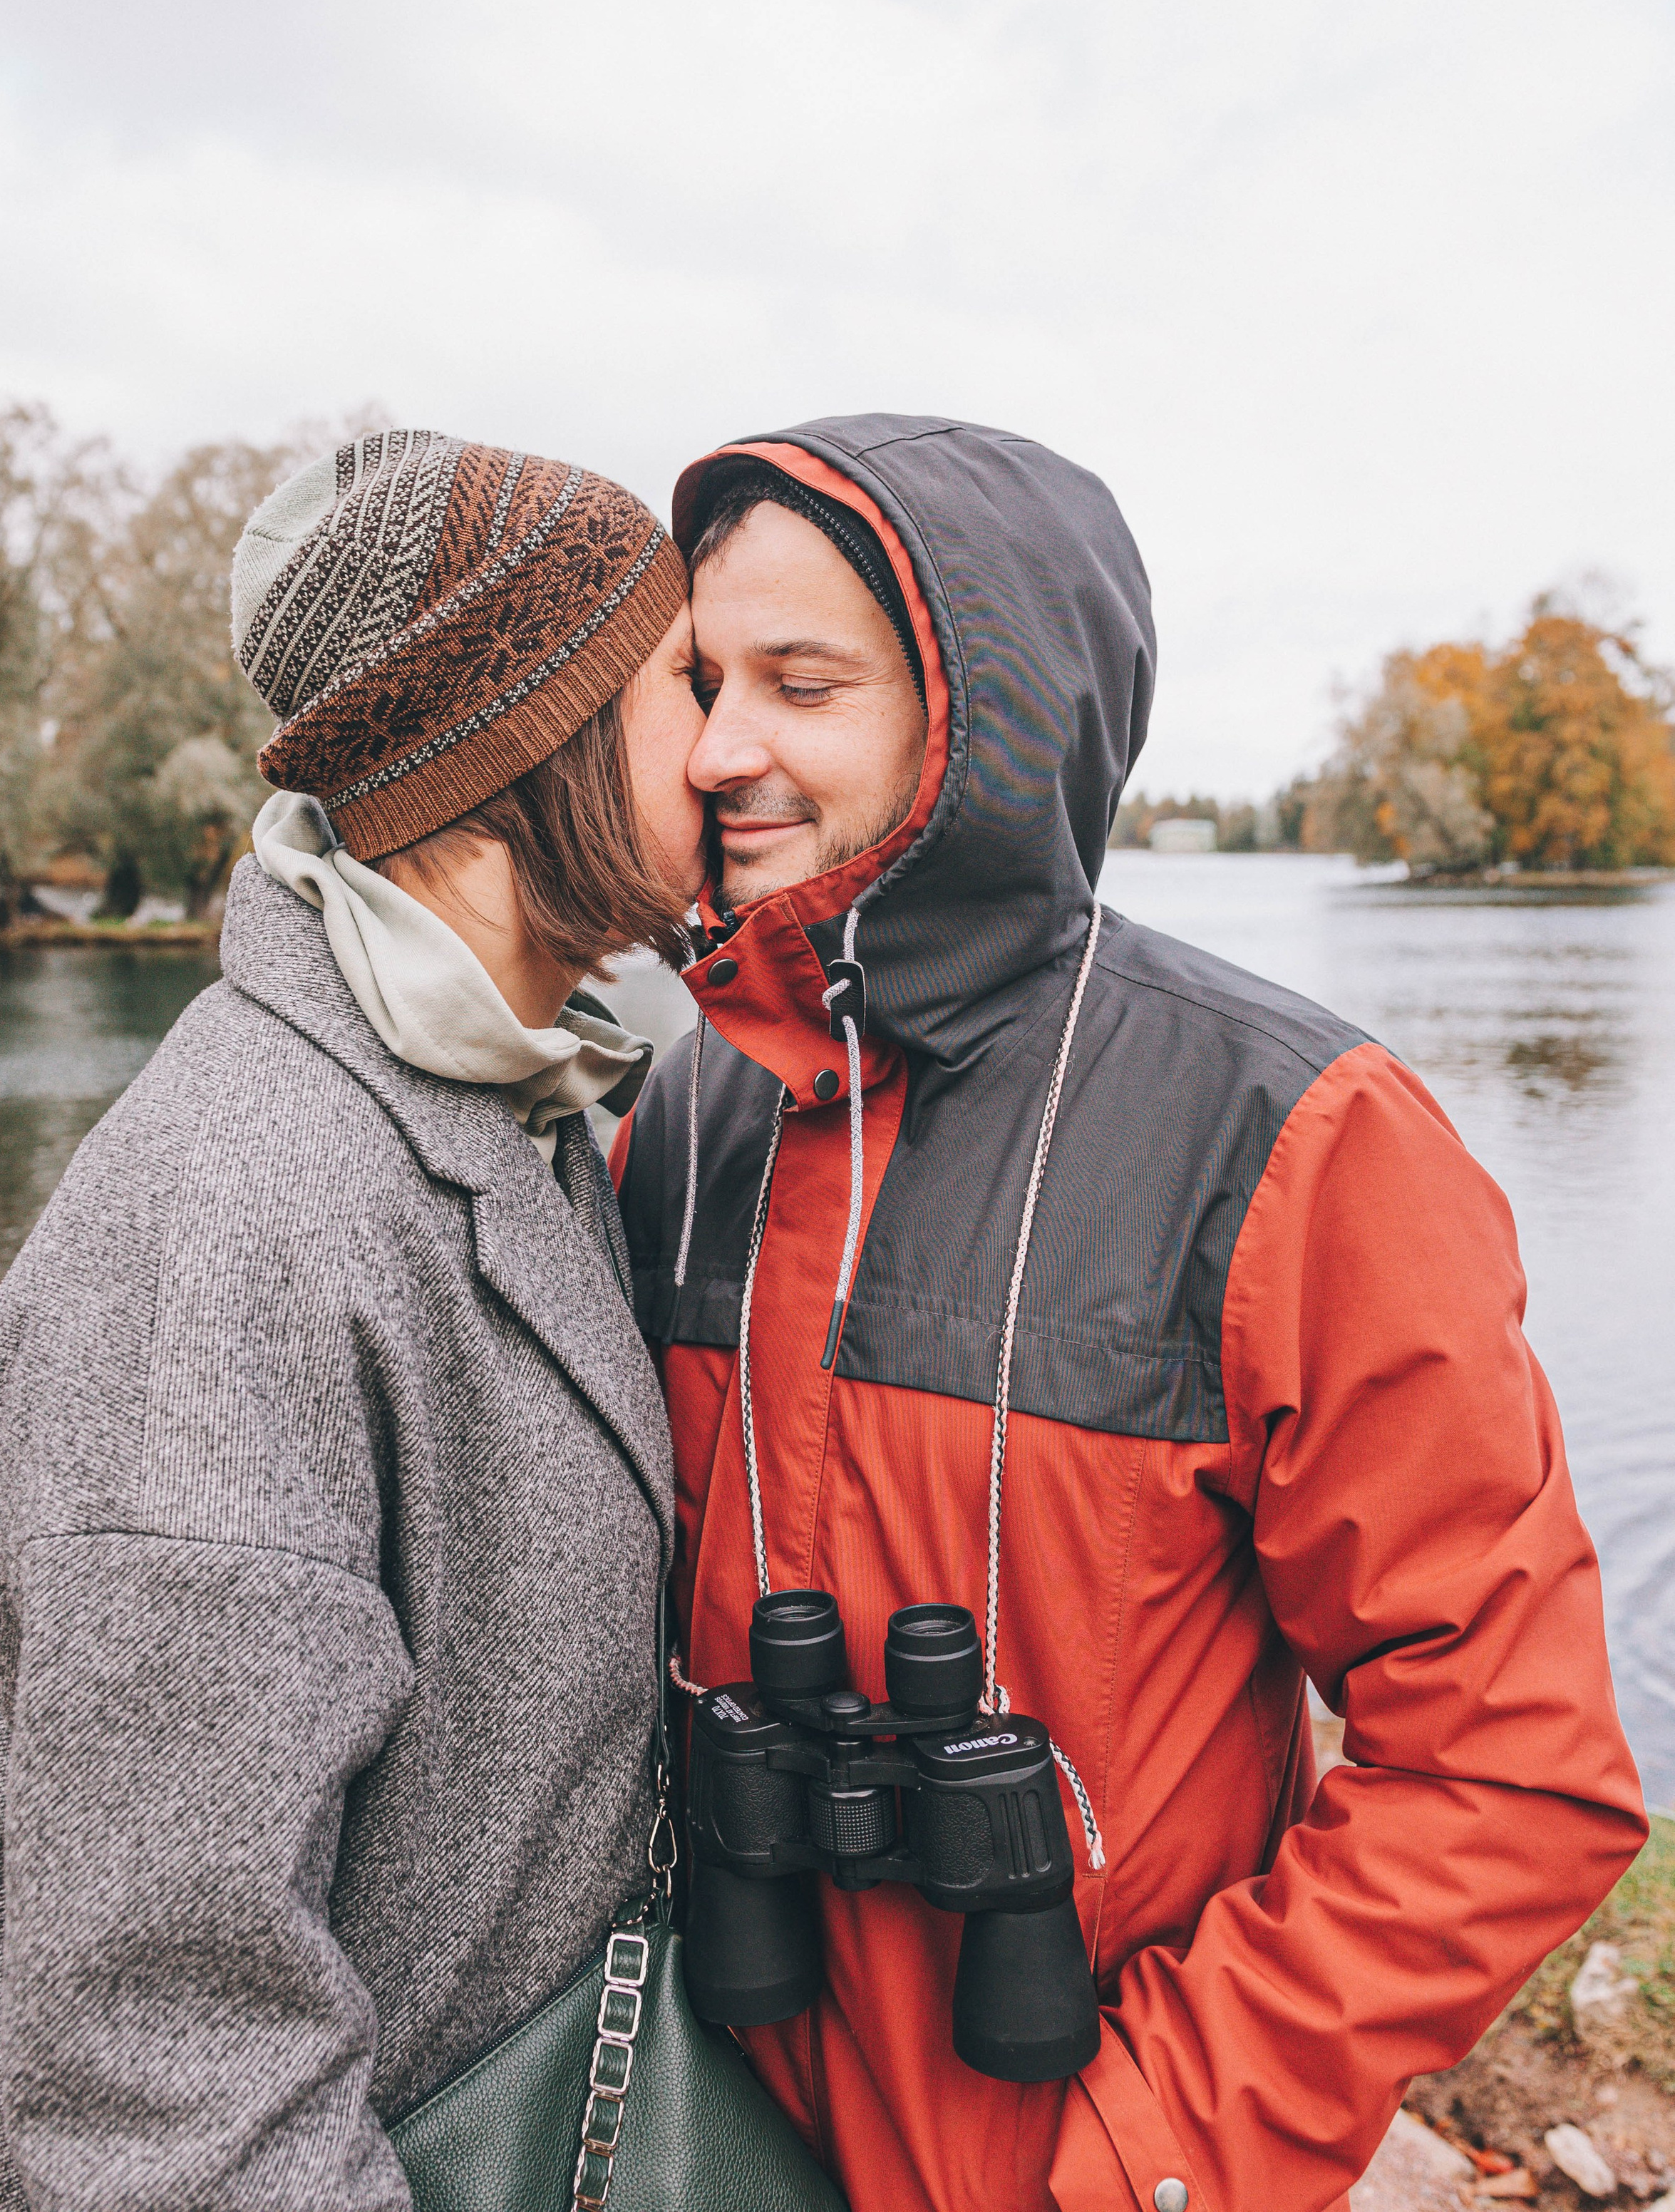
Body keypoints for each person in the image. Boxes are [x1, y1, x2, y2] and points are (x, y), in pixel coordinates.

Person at [616, 416, 1647, 2212]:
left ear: (979, 721)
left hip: (1077, 2157)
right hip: (702, 2146)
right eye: (704, 678)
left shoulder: (1301, 1142)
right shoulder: (681, 1117)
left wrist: (1136, 2162)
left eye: (801, 681)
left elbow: (1509, 1774)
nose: (718, 748)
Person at [0, 431, 705, 2208]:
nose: (734, 742)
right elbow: (156, 2082)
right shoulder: (232, 1229)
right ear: (540, 732)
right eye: (690, 679)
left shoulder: (512, 1099)